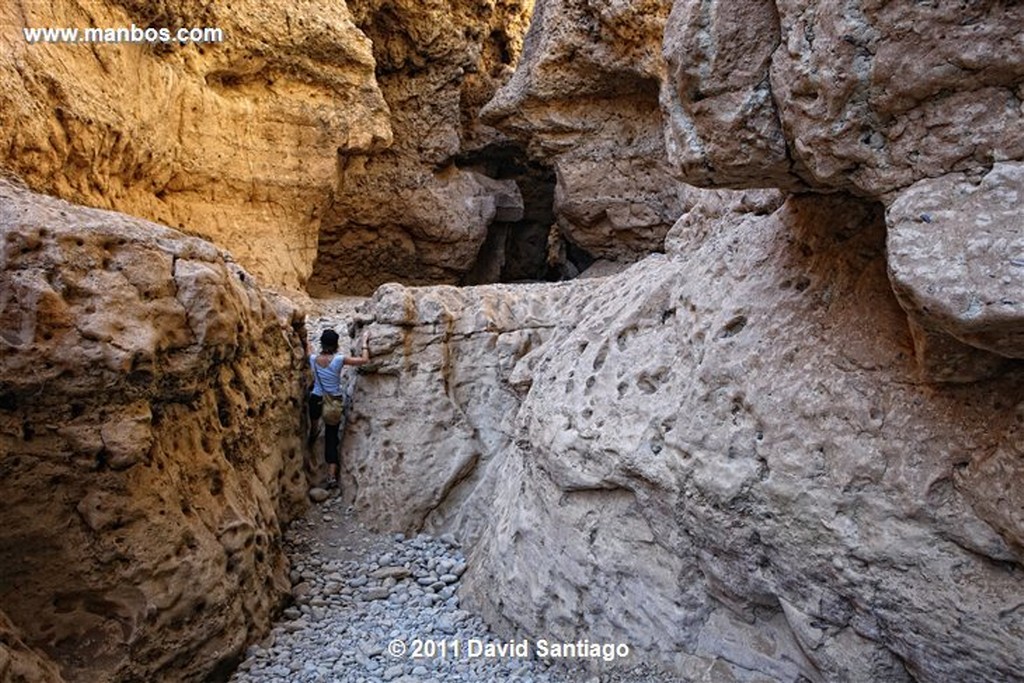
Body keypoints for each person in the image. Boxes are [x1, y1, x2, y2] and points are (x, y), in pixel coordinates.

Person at [308, 328, 371, 488]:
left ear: (321, 343)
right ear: (336, 344)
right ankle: (331, 477)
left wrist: (304, 336)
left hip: (316, 398)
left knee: (314, 419)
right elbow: (364, 360)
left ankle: (313, 434)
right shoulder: (339, 360)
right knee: (331, 438)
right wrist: (364, 342)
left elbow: (307, 347)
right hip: (333, 402)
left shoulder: (313, 358)